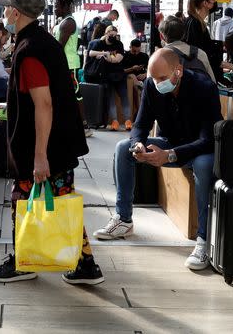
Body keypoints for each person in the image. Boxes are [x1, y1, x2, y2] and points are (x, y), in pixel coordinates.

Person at [0, 0, 103, 285]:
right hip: (58, 142)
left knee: (22, 199)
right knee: (62, 198)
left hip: (42, 146)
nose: (3, 14)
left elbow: (44, 103)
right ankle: (86, 264)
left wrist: (40, 156)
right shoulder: (42, 42)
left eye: (6, 8)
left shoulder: (30, 50)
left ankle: (23, 261)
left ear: (16, 12)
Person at [94, 48, 221, 271]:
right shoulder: (152, 86)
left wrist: (170, 155)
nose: (157, 82)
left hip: (200, 149)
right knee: (124, 148)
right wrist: (138, 144)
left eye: (162, 78)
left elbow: (208, 139)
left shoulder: (204, 88)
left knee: (202, 165)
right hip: (169, 142)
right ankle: (123, 219)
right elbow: (141, 123)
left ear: (178, 71)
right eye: (153, 77)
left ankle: (203, 239)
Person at [183, 0, 233, 83]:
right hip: (200, 79)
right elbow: (203, 55)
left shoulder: (193, 21)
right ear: (205, 3)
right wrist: (232, 66)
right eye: (213, 1)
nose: (215, 3)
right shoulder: (196, 25)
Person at [53, 0, 92, 137]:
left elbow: (58, 46)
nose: (55, 9)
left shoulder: (67, 23)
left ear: (65, 7)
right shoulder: (63, 22)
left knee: (76, 94)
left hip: (69, 64)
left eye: (57, 6)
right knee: (67, 93)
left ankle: (84, 125)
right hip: (64, 64)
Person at [89, 25, 131, 131]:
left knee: (124, 97)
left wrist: (108, 58)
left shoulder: (119, 44)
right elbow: (91, 53)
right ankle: (115, 121)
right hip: (106, 75)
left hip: (119, 75)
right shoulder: (100, 43)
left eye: (114, 34)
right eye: (110, 33)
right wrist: (104, 53)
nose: (112, 36)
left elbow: (118, 59)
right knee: (111, 99)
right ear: (106, 33)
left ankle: (128, 121)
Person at [160, 16, 216, 82]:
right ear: (184, 34)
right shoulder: (200, 53)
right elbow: (212, 83)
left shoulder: (159, 57)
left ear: (161, 36)